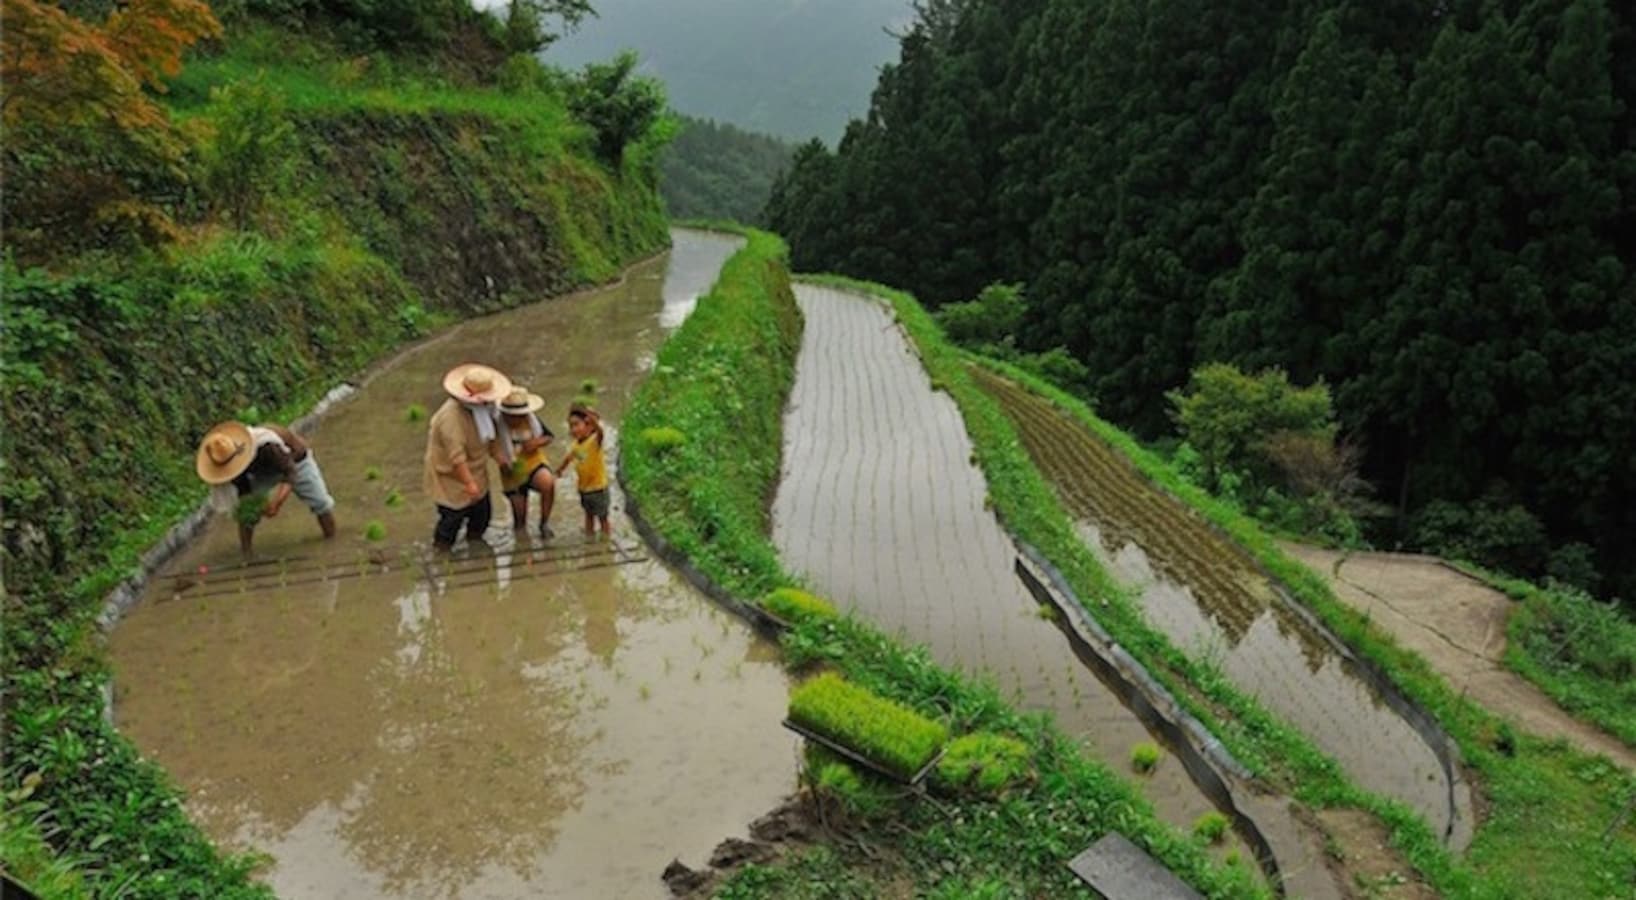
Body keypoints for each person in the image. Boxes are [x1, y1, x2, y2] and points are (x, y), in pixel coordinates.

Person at [196, 420, 337, 560]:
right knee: (247, 512)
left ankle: (332, 541)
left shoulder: (267, 445)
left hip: (295, 461)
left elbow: (290, 473)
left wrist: (277, 503)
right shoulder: (231, 467)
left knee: (321, 503)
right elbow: (244, 490)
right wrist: (254, 504)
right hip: (261, 472)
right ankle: (247, 554)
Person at [424, 363, 512, 550]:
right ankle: (441, 551)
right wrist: (469, 483)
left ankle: (475, 545)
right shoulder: (451, 417)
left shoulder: (485, 410)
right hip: (450, 476)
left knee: (482, 515)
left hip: (477, 470)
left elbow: (492, 437)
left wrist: (500, 458)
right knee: (451, 519)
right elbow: (457, 457)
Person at [498, 387, 557, 538]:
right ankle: (522, 542)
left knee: (548, 482)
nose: (515, 420)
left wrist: (536, 443)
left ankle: (544, 523)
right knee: (519, 520)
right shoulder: (496, 424)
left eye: (518, 416)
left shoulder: (532, 420)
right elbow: (488, 446)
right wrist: (500, 459)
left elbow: (549, 437)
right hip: (511, 471)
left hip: (533, 462)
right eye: (511, 416)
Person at [556, 402, 610, 540]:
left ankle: (606, 540)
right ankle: (589, 537)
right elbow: (568, 458)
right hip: (584, 488)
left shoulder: (594, 442)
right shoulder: (575, 445)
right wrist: (560, 470)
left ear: (588, 426)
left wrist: (592, 418)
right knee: (588, 515)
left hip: (598, 488)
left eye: (576, 425)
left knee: (603, 517)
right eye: (571, 426)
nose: (573, 429)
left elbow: (600, 432)